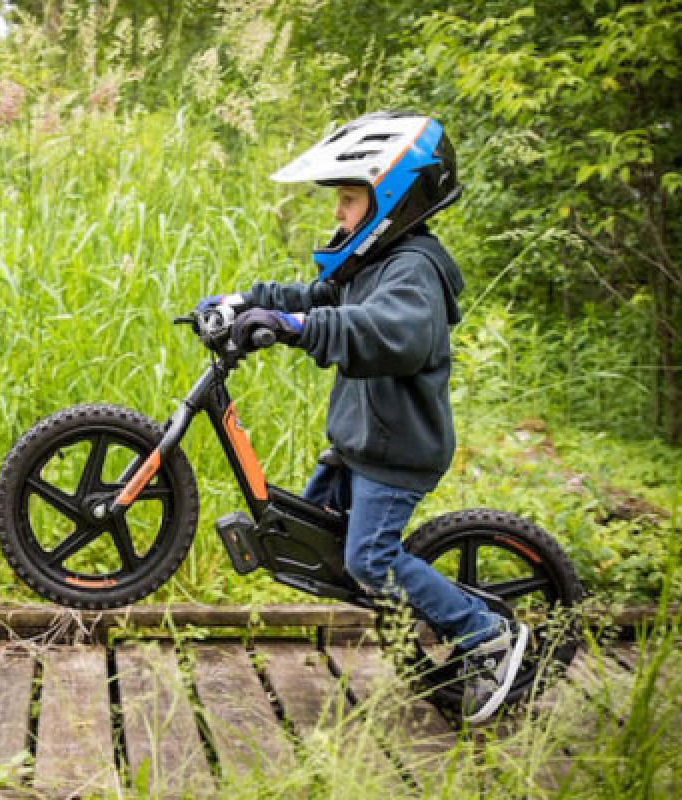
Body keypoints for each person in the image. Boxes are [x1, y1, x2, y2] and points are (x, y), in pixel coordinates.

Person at [199, 111, 528, 724]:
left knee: (369, 562)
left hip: (395, 451)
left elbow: (389, 333)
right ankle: (381, 586)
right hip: (361, 442)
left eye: (350, 198)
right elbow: (317, 298)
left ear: (395, 196)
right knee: (319, 536)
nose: (339, 212)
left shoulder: (414, 271)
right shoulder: (373, 265)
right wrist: (251, 301)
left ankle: (485, 634)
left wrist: (297, 329)